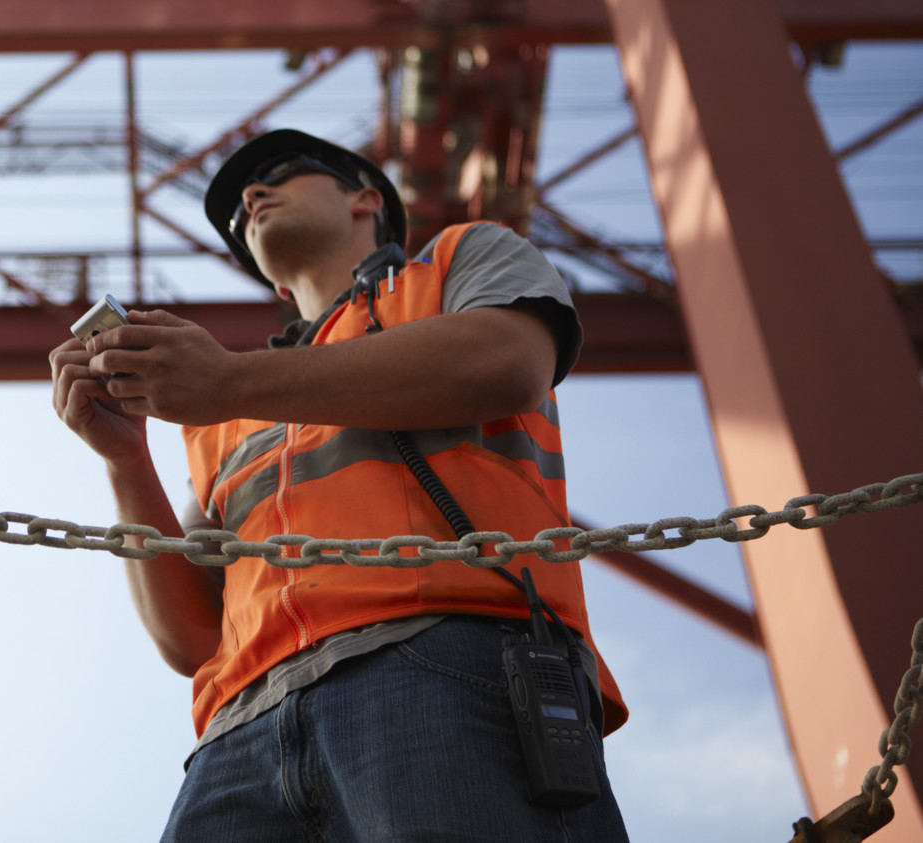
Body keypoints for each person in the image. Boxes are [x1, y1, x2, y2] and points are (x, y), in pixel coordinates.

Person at [49, 128, 629, 842]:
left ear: (365, 198)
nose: (252, 198)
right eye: (239, 212)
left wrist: (227, 379)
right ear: (272, 282)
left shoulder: (460, 259)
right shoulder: (224, 411)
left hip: (447, 654)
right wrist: (126, 462)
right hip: (241, 729)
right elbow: (197, 638)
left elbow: (508, 359)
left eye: (280, 174)